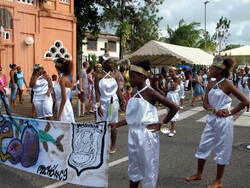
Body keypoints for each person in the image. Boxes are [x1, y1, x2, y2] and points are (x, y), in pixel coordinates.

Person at [109, 60, 179, 188]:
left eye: (133, 76)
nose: (130, 78)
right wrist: (116, 125)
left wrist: (162, 123)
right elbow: (133, 118)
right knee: (134, 167)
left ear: (142, 76)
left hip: (147, 135)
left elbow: (174, 107)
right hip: (134, 134)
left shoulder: (150, 92)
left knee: (148, 168)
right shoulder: (135, 92)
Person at [186, 56, 249, 188]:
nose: (210, 69)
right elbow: (204, 102)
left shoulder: (227, 84)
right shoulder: (210, 83)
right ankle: (199, 174)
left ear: (219, 70)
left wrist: (231, 112)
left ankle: (218, 181)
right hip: (212, 119)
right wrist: (214, 110)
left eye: (213, 68)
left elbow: (245, 101)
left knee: (222, 149)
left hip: (224, 122)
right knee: (203, 145)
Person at [94, 58, 125, 154]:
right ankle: (101, 145)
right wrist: (98, 106)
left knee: (113, 124)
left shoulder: (115, 75)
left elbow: (117, 90)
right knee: (101, 124)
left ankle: (113, 145)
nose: (112, 65)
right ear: (105, 64)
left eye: (113, 63)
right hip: (102, 103)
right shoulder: (98, 75)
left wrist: (122, 100)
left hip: (113, 102)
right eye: (110, 63)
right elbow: (97, 92)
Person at [54, 58, 75, 123]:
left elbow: (64, 99)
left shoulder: (63, 79)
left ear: (57, 68)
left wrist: (59, 114)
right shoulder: (64, 77)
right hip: (63, 105)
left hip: (64, 108)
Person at [165, 67, 180, 137]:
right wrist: (167, 81)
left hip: (174, 96)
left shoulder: (176, 78)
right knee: (169, 111)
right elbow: (165, 87)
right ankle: (173, 128)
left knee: (173, 111)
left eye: (171, 71)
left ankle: (172, 129)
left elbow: (173, 88)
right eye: (169, 71)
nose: (170, 73)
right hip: (169, 95)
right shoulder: (169, 79)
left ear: (175, 72)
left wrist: (170, 81)